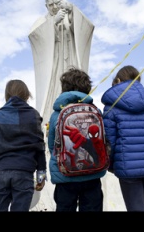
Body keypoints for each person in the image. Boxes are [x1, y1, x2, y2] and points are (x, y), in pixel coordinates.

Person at [101, 65, 144, 211]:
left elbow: (109, 143)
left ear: (118, 80)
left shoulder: (111, 108)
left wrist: (112, 166)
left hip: (127, 167)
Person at [29, 0, 94, 124]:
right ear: (46, 6)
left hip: (70, 58)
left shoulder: (68, 14)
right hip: (53, 62)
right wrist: (52, 23)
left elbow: (87, 27)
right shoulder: (43, 20)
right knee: (55, 86)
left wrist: (72, 12)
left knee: (73, 81)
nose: (54, 7)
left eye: (56, 3)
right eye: (50, 4)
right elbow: (34, 36)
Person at [0, 79, 47, 212]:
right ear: (27, 95)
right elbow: (39, 146)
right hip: (24, 172)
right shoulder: (32, 115)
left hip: (0, 172)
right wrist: (41, 174)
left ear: (6, 95)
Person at [47, 67, 106, 212]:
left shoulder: (57, 113)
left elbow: (52, 145)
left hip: (65, 175)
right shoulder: (95, 111)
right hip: (92, 173)